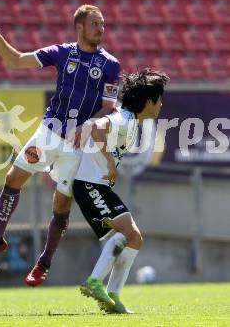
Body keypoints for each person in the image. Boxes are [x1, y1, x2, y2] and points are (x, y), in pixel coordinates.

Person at [0, 5, 121, 287]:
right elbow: (16, 61)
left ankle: (43, 263)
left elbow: (109, 108)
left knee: (61, 204)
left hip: (77, 144)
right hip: (50, 132)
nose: (101, 28)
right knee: (13, 178)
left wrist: (87, 125)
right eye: (95, 24)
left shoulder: (111, 65)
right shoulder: (62, 52)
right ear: (80, 27)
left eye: (102, 24)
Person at [73, 68, 169, 313]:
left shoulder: (132, 122)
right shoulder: (124, 119)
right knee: (128, 232)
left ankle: (113, 297)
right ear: (149, 102)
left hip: (96, 186)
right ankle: (95, 282)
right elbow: (96, 127)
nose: (161, 104)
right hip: (89, 185)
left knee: (133, 238)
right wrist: (108, 163)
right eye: (159, 99)